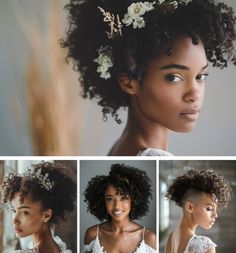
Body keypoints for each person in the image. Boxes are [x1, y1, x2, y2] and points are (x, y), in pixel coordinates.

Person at [62, 0, 236, 156]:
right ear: (129, 82)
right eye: (174, 78)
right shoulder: (152, 157)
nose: (194, 94)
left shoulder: (124, 145)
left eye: (201, 76)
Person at [1, 161, 77, 253]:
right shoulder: (56, 247)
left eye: (24, 212)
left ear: (46, 215)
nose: (14, 220)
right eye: (14, 210)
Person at [83, 163, 156, 253]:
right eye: (110, 199)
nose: (117, 206)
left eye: (123, 198)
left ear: (133, 200)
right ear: (103, 201)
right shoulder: (92, 234)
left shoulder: (149, 238)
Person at [165, 170, 231, 253]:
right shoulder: (204, 245)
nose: (215, 215)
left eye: (216, 209)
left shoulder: (171, 237)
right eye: (209, 208)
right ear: (190, 207)